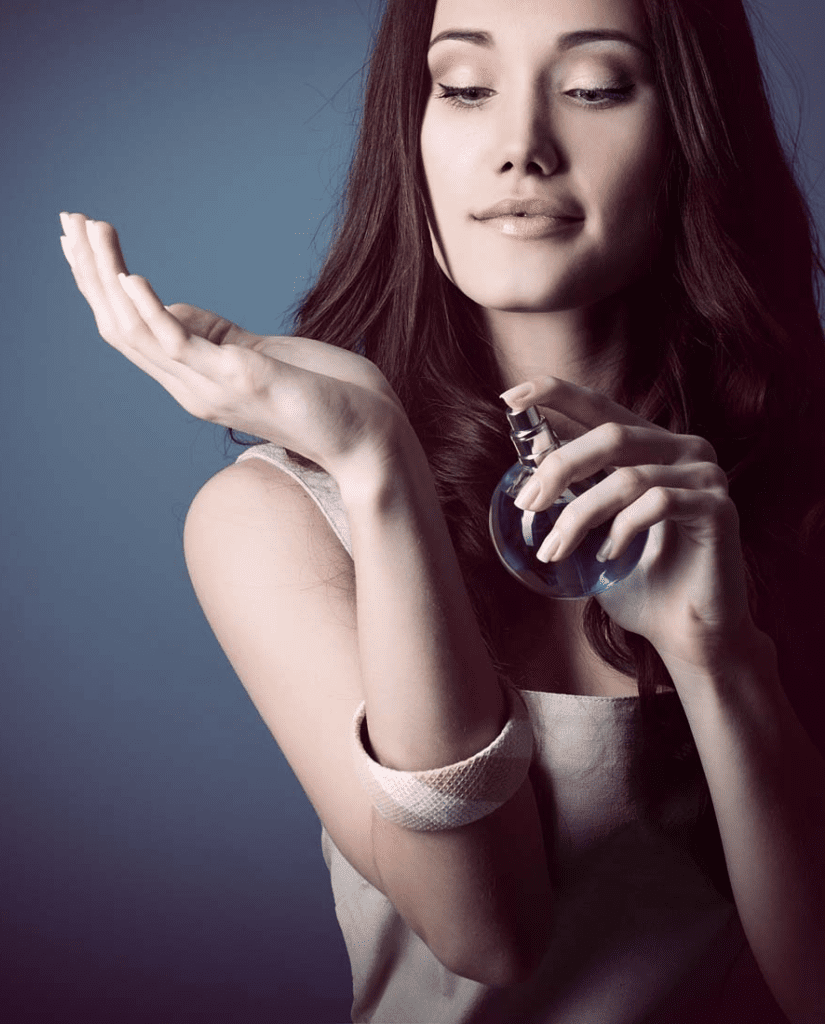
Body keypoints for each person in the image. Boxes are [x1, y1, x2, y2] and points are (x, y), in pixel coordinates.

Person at [58, 0, 825, 1019]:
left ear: (691, 132)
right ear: (410, 136)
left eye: (594, 88)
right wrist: (380, 467)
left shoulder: (797, 479)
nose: (520, 148)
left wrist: (722, 660)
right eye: (463, 89)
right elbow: (486, 935)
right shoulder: (279, 520)